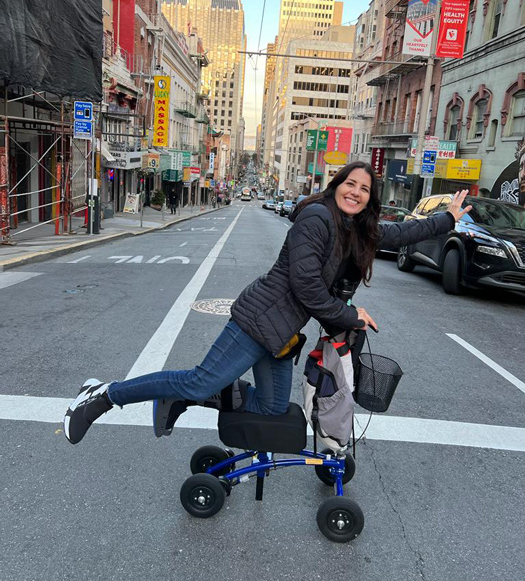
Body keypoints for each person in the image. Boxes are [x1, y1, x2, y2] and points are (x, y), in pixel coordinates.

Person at [63, 162, 472, 445]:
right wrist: (350, 315)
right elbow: (308, 287)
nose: (356, 192)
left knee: (274, 407)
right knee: (200, 380)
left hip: (282, 334)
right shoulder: (317, 219)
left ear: (368, 199)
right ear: (337, 185)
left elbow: (396, 234)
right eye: (351, 183)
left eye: (365, 189)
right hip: (257, 322)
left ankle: (179, 398)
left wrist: (449, 219)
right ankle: (102, 395)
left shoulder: (351, 227)